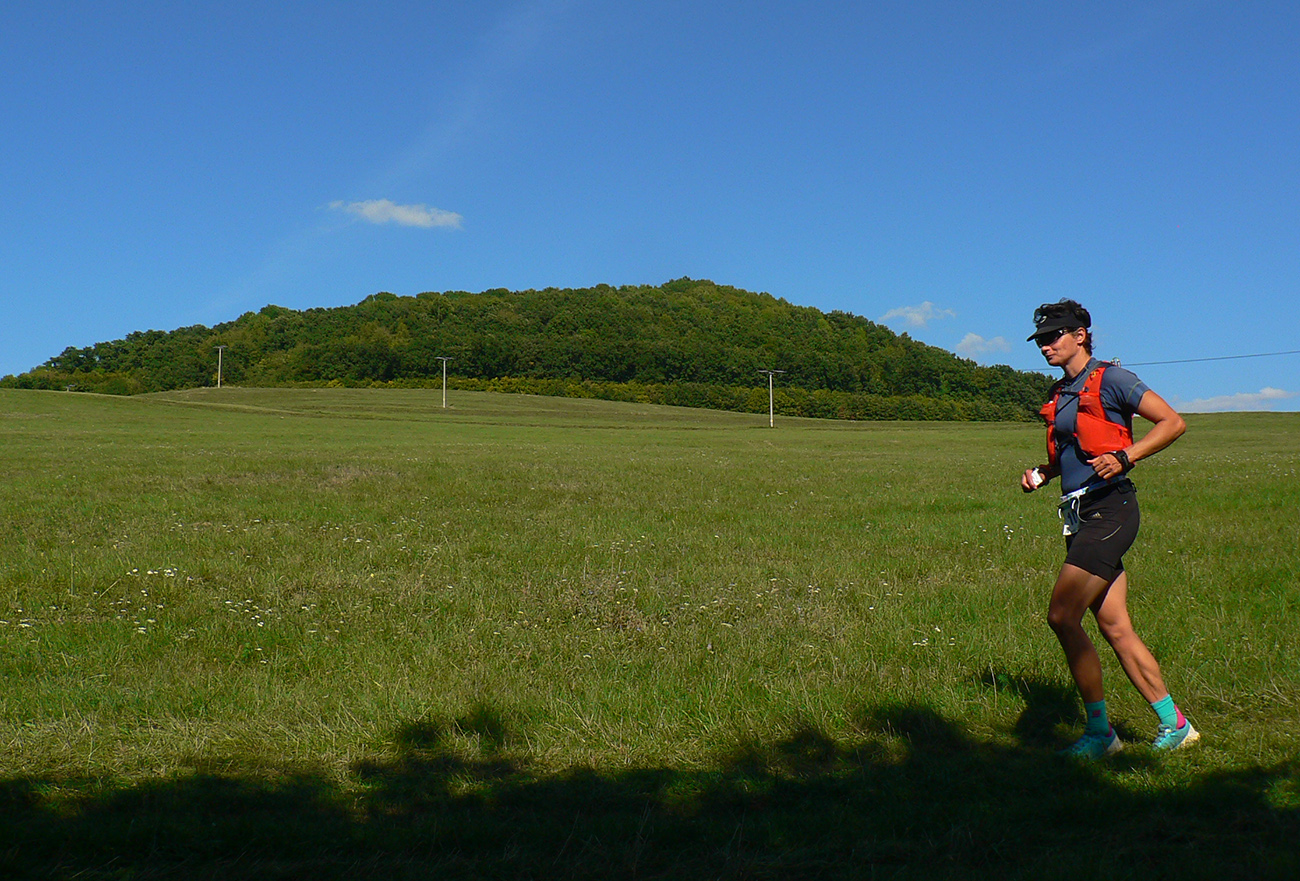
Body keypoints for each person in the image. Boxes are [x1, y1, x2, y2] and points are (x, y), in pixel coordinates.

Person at [1020, 299, 1199, 759]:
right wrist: (1044, 472)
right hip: (1080, 512)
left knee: (1062, 616)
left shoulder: (1113, 379)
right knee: (1115, 625)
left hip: (1111, 509)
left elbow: (1173, 422)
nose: (1045, 346)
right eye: (1040, 340)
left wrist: (1126, 456)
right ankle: (1176, 724)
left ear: (1080, 335)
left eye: (1053, 336)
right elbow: (1075, 454)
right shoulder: (1062, 391)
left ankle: (1101, 734)